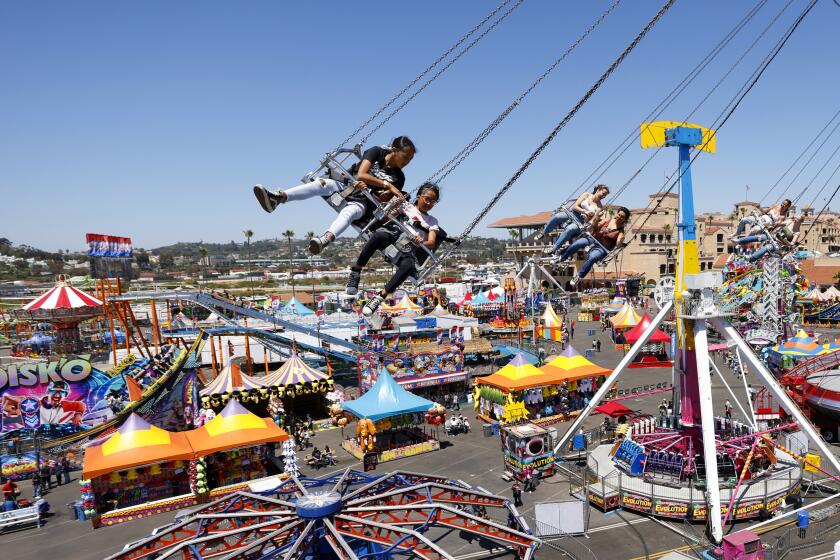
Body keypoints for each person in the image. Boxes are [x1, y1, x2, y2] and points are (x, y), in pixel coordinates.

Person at [253, 137, 417, 254]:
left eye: (410, 159)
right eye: (406, 157)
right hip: (346, 184)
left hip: (364, 201)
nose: (407, 162)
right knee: (321, 183)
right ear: (394, 150)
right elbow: (361, 174)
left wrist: (379, 191)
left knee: (350, 212)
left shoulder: (399, 177)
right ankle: (278, 198)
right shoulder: (377, 152)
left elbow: (382, 199)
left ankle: (325, 239)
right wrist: (385, 184)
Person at [352, 184, 443, 314]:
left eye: (433, 201)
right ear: (419, 196)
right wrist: (394, 206)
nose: (429, 203)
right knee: (378, 235)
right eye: (427, 199)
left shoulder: (432, 221)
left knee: (409, 265)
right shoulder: (406, 207)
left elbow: (432, 242)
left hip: (409, 248)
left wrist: (421, 241)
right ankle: (356, 271)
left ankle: (380, 296)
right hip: (394, 237)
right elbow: (384, 219)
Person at [559, 207, 630, 288]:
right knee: (578, 243)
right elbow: (596, 226)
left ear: (625, 219)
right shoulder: (608, 220)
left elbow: (618, 245)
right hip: (593, 239)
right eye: (619, 214)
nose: (619, 217)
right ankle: (562, 256)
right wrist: (597, 218)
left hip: (601, 249)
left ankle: (579, 276)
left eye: (622, 217)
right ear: (617, 213)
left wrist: (621, 240)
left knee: (592, 257)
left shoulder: (621, 231)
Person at [537, 185, 610, 254]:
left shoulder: (599, 207)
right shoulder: (586, 195)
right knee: (557, 217)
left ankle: (554, 248)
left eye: (605, 196)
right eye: (603, 193)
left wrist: (593, 217)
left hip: (581, 221)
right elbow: (575, 206)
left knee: (570, 229)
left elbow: (592, 221)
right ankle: (544, 232)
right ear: (598, 190)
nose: (603, 196)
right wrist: (584, 211)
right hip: (573, 213)